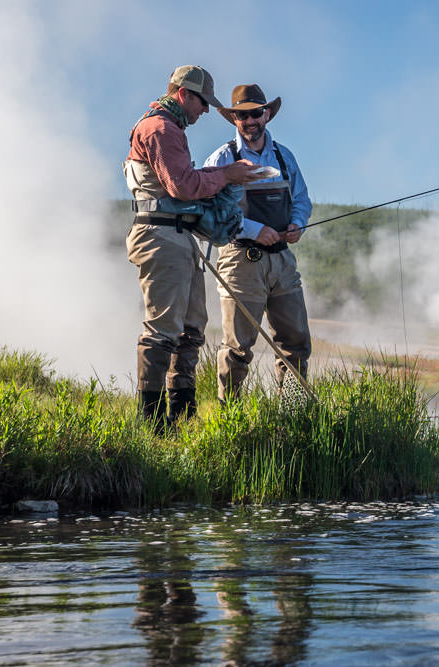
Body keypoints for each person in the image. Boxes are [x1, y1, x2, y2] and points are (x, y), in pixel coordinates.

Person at [124, 65, 261, 429]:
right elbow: (182, 187)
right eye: (203, 102)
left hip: (178, 237)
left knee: (191, 328)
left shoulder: (170, 129)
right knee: (163, 329)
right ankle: (150, 425)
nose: (204, 110)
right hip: (161, 236)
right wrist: (228, 176)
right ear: (183, 94)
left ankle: (181, 416)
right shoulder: (160, 128)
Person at [201, 84, 313, 401]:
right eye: (242, 115)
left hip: (282, 258)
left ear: (266, 114)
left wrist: (297, 224)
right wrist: (253, 229)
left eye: (255, 114)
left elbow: (302, 200)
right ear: (234, 118)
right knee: (238, 347)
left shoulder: (284, 155)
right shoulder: (223, 157)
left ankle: (292, 410)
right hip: (240, 259)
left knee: (296, 342)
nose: (249, 121)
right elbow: (210, 210)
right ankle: (229, 416)